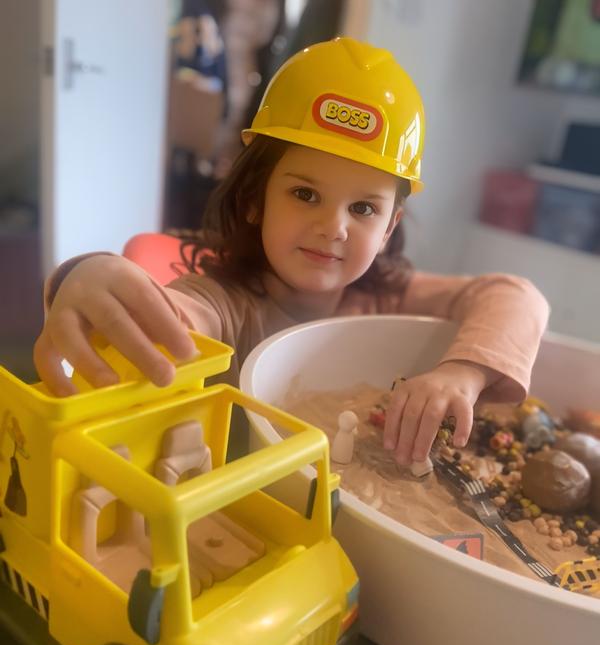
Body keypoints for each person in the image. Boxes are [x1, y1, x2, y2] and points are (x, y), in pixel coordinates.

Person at [34, 37, 549, 468]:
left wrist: (462, 372)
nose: (334, 228)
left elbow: (516, 295)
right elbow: (169, 316)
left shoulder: (388, 296)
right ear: (255, 199)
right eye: (305, 194)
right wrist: (84, 275)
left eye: (363, 209)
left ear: (389, 227)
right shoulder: (225, 305)